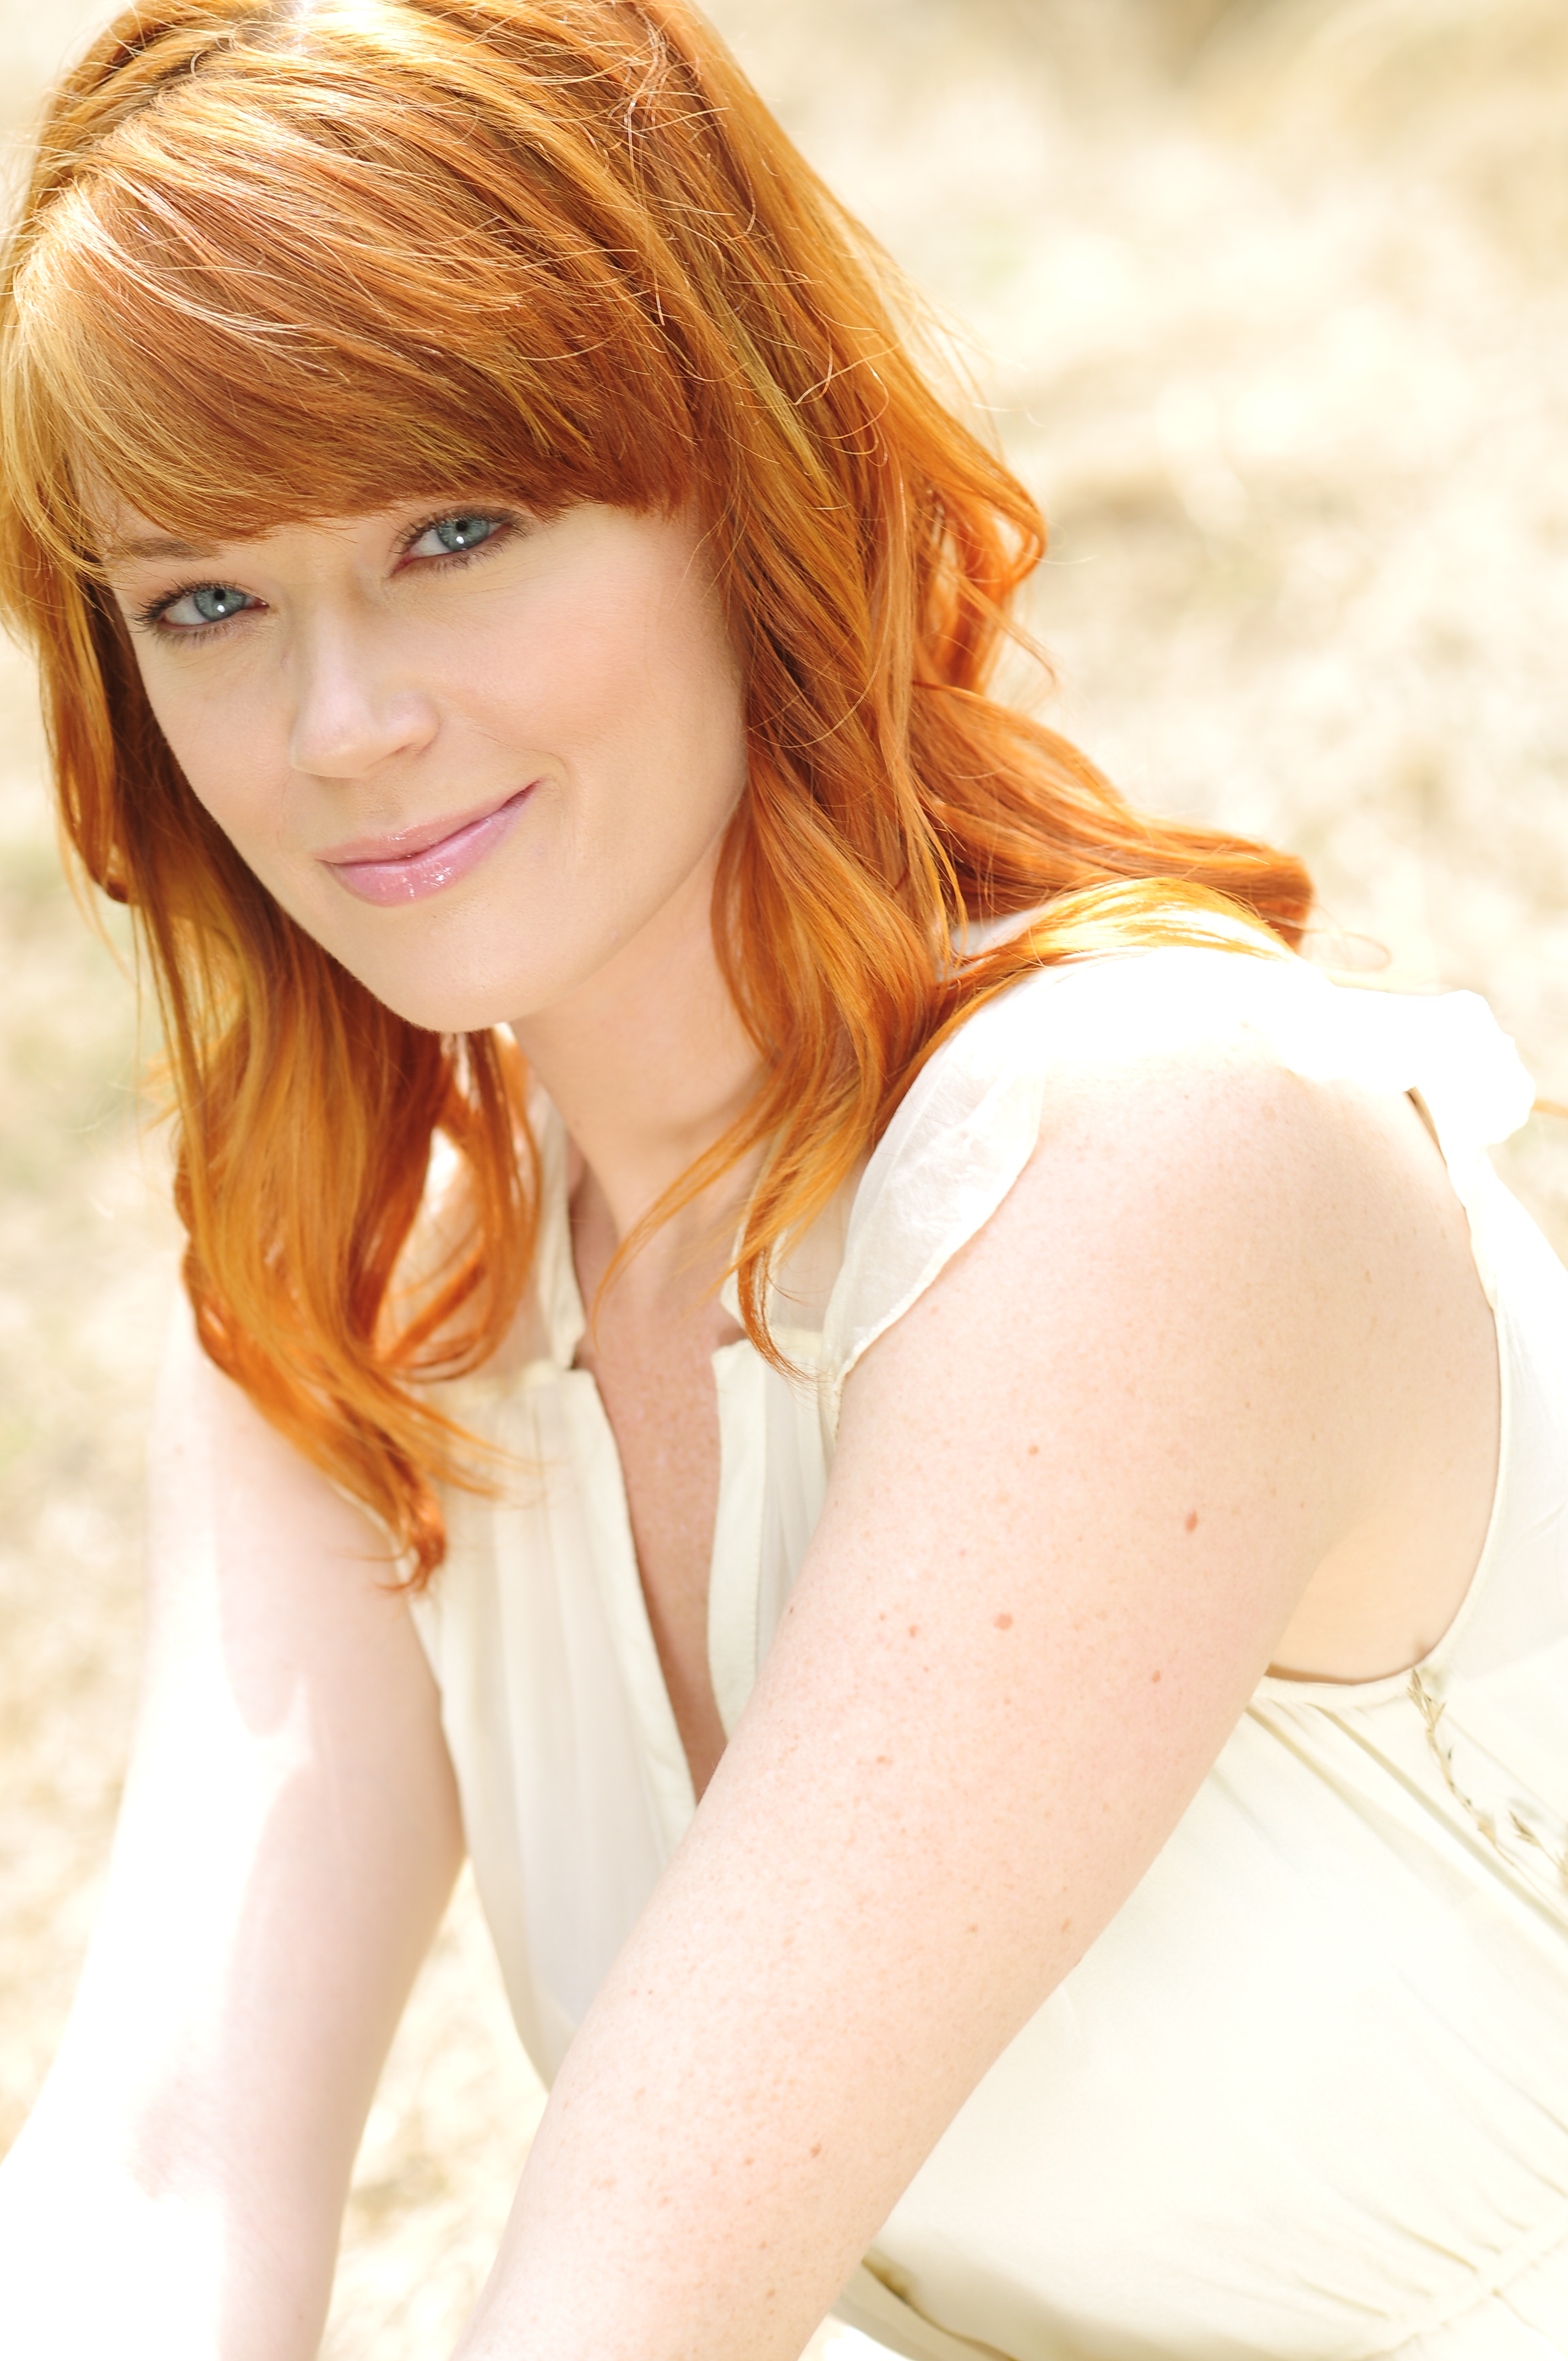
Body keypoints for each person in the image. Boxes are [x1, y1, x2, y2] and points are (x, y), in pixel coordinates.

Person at [1, 2, 1565, 2357]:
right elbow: (163, 2172)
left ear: (740, 477)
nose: (345, 725)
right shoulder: (370, 1315)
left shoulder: (1147, 1166)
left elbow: (627, 2302)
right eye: (205, 601)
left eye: (456, 531)